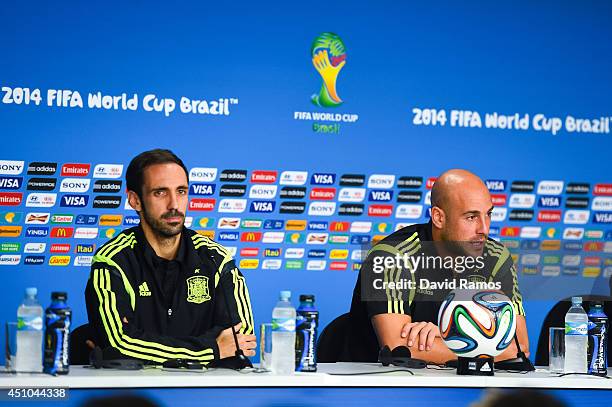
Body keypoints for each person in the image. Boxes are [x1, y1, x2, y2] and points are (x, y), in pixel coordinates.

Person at [85, 149, 255, 365]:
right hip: (136, 393)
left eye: (181, 191)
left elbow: (242, 339)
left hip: (205, 392)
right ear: (135, 200)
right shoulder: (113, 260)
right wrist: (211, 349)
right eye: (160, 193)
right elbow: (119, 344)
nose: (174, 204)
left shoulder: (215, 258)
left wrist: (147, 347)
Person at [348, 169, 529, 364]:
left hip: (464, 387)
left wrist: (448, 338)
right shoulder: (393, 256)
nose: (484, 229)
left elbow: (520, 349)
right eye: (471, 217)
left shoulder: (496, 258)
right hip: (377, 386)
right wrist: (478, 345)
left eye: (488, 214)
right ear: (438, 217)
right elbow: (399, 349)